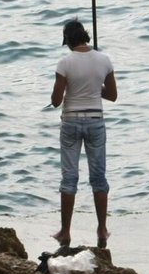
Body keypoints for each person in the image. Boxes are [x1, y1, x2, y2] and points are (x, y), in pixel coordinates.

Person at [49, 18, 117, 248]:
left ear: (67, 40)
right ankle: (101, 229)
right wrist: (95, 84)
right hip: (96, 121)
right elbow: (112, 95)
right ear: (86, 36)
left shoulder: (65, 63)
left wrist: (69, 86)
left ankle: (65, 232)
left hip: (70, 122)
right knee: (98, 177)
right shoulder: (104, 60)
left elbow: (56, 101)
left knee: (69, 179)